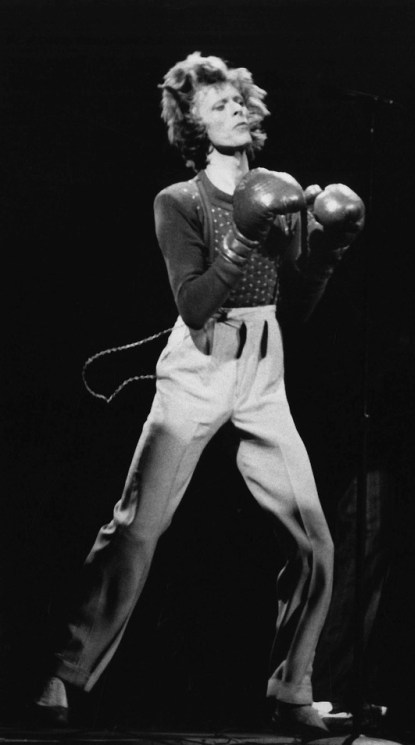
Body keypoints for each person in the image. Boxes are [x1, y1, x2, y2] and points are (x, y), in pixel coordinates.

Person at [32, 51, 365, 737]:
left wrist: (326, 253)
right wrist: (242, 237)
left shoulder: (285, 189)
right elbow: (192, 304)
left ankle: (291, 688)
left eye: (238, 100)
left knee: (316, 541)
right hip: (199, 363)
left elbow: (294, 306)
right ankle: (63, 674)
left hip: (264, 367)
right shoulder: (178, 201)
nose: (234, 109)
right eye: (217, 105)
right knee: (136, 528)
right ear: (191, 123)